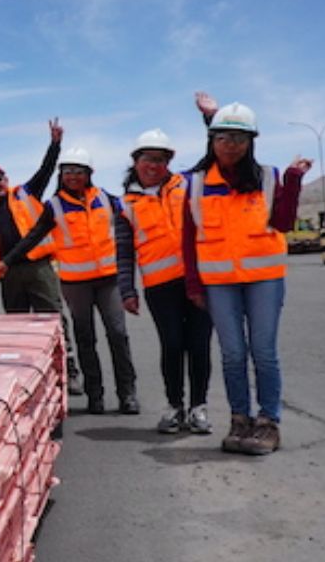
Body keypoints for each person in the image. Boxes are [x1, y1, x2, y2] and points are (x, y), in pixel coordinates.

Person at [184, 96, 309, 455]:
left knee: (264, 352)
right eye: (222, 137)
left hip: (264, 278)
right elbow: (187, 238)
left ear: (251, 142)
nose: (231, 145)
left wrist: (294, 180)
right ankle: (240, 419)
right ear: (212, 140)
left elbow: (283, 223)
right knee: (232, 354)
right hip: (218, 283)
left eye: (239, 139)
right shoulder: (194, 184)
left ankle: (268, 423)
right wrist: (194, 284)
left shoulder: (268, 178)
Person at [0, 147, 140, 415]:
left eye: (79, 171)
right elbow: (33, 236)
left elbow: (134, 219)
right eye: (68, 171)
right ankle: (95, 395)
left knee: (118, 335)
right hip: (76, 284)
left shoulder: (106, 199)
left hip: (109, 280)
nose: (73, 176)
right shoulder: (55, 206)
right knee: (86, 338)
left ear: (89, 174)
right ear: (62, 175)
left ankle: (127, 394)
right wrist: (7, 261)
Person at [117, 129, 214, 434]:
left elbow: (215, 156)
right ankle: (175, 406)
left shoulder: (187, 184)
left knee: (199, 345)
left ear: (168, 162)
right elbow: (124, 252)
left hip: (197, 281)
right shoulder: (126, 204)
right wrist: (127, 290)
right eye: (147, 159)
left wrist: (209, 118)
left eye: (160, 160)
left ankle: (199, 407)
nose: (153, 166)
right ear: (136, 161)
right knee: (172, 345)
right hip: (159, 287)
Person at [0, 118, 83, 395]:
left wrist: (55, 144)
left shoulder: (27, 192)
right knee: (17, 324)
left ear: (6, 179)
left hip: (38, 268)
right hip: (9, 274)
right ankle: (25, 372)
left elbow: (46, 170)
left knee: (54, 318)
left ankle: (68, 370)